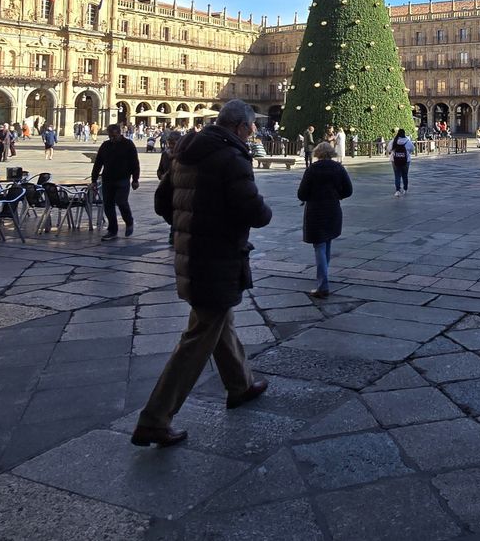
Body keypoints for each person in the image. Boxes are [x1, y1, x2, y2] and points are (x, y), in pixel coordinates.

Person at [132, 100, 271, 447]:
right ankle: (155, 419)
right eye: (251, 126)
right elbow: (254, 211)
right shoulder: (231, 157)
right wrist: (257, 213)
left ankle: (240, 384)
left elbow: (162, 202)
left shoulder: (185, 152)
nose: (253, 131)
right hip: (217, 257)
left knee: (218, 320)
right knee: (198, 338)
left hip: (191, 254)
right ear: (239, 127)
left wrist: (188, 227)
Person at [298, 140, 353, 298]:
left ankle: (323, 284)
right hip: (333, 209)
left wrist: (311, 196)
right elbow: (348, 190)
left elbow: (301, 194)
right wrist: (337, 195)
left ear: (318, 153)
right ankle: (324, 277)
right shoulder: (338, 168)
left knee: (319, 246)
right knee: (327, 243)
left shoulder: (312, 169)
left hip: (315, 211)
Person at [91, 123, 141, 240]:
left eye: (114, 136)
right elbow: (98, 163)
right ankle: (112, 230)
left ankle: (129, 221)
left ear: (119, 133)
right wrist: (94, 179)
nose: (112, 139)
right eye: (110, 136)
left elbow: (135, 162)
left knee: (121, 202)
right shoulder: (105, 145)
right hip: (107, 179)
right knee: (108, 205)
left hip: (123, 178)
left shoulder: (128, 144)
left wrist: (135, 179)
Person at [389, 128, 414, 196]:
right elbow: (412, 149)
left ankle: (398, 190)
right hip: (406, 160)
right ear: (404, 134)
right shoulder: (408, 141)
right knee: (405, 175)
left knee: (397, 175)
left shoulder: (394, 141)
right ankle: (405, 189)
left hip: (395, 160)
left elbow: (389, 149)